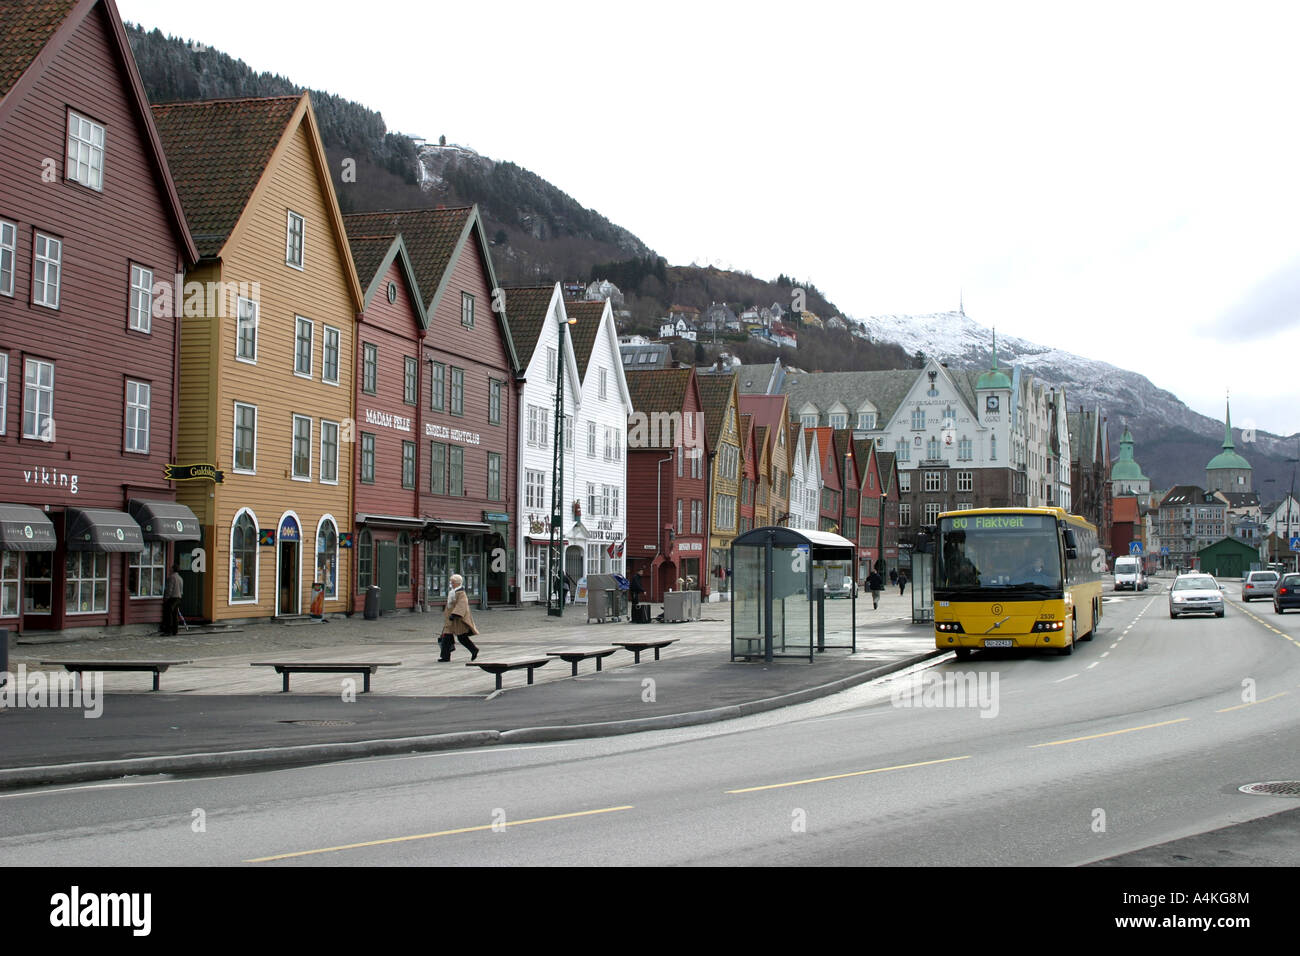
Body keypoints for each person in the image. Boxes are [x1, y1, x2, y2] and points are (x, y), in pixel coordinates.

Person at [439, 573, 479, 662]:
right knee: (446, 637)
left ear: (458, 583)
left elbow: (462, 605)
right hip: (450, 620)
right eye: (451, 582)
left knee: (462, 638)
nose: (451, 584)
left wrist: (455, 614)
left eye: (453, 582)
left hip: (458, 619)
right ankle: (445, 656)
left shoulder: (461, 593)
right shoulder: (452, 592)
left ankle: (474, 650)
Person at [161, 563, 183, 635]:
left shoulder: (171, 578)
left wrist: (166, 598)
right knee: (175, 614)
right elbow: (181, 590)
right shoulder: (180, 578)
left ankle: (168, 630)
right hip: (178, 597)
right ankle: (175, 630)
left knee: (168, 614)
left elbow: (169, 589)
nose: (170, 569)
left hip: (172, 598)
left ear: (173, 569)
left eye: (171, 568)